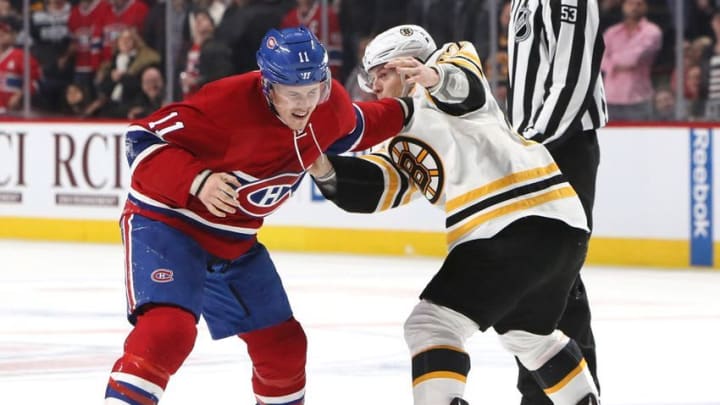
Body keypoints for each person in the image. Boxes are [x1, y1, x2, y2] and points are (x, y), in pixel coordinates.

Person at [103, 26, 406, 404]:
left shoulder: (328, 106)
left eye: (314, 92)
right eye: (293, 94)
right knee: (168, 332)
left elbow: (359, 126)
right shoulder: (225, 104)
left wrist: (409, 108)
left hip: (233, 242)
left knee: (284, 347)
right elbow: (142, 140)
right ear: (268, 86)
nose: (305, 105)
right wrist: (198, 181)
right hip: (169, 223)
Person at [309, 24, 600, 405]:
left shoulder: (450, 61)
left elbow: (464, 87)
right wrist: (319, 166)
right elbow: (376, 188)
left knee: (430, 326)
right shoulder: (401, 139)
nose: (374, 87)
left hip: (507, 227)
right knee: (528, 336)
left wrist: (431, 75)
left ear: (408, 64)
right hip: (560, 230)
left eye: (381, 74)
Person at [507, 1, 608, 404]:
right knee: (536, 281)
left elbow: (572, 82)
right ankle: (557, 395)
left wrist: (528, 147)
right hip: (537, 148)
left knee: (554, 280)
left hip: (558, 150)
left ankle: (557, 396)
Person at [601, 0, 662, 121]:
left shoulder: (652, 31)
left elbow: (634, 58)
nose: (634, 7)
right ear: (623, 6)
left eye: (639, 4)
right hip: (610, 97)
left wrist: (613, 59)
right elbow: (600, 60)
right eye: (630, 4)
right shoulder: (611, 32)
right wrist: (622, 58)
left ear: (646, 7)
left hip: (638, 98)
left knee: (640, 138)